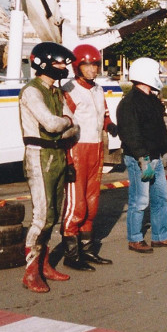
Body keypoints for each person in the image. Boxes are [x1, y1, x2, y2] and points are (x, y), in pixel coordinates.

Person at [18, 42, 81, 293]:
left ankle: (44, 266)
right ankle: (31, 272)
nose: (64, 67)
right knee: (42, 217)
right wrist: (66, 123)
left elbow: (73, 126)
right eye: (59, 62)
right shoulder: (32, 91)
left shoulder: (56, 91)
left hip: (57, 154)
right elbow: (53, 124)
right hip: (39, 154)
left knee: (53, 216)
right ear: (44, 63)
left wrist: (65, 123)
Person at [57, 44, 115, 272]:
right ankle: (71, 255)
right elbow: (63, 124)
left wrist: (110, 125)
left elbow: (104, 113)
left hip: (96, 149)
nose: (93, 70)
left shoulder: (98, 90)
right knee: (77, 205)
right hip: (77, 149)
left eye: (95, 65)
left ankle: (87, 250)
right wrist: (68, 159)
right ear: (77, 67)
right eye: (87, 65)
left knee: (92, 204)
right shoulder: (70, 89)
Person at [117, 57, 167, 254]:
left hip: (155, 157)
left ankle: (160, 236)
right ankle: (135, 238)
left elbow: (158, 129)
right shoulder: (129, 103)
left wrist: (164, 150)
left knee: (161, 197)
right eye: (157, 74)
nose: (159, 77)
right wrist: (142, 158)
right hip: (139, 159)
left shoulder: (152, 100)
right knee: (140, 200)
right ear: (146, 74)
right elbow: (130, 133)